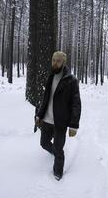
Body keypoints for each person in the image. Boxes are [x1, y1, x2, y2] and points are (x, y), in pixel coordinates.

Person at [35, 51, 81, 181]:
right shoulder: (50, 76)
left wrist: (73, 125)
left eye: (58, 61)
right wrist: (39, 115)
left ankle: (58, 172)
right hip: (47, 119)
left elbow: (76, 104)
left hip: (60, 122)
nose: (55, 63)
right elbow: (45, 99)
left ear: (64, 62)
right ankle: (54, 152)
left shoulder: (71, 81)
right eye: (53, 60)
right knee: (44, 143)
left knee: (58, 148)